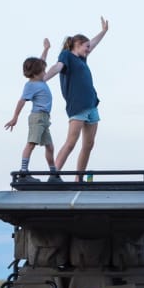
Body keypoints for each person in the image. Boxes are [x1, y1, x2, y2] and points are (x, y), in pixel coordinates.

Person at [42, 16, 108, 179]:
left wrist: (103, 31)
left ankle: (79, 178)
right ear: (77, 45)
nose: (88, 50)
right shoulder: (67, 56)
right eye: (86, 47)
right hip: (77, 106)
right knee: (71, 142)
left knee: (89, 144)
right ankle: (54, 174)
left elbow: (92, 43)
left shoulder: (82, 57)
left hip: (92, 104)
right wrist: (43, 79)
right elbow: (57, 67)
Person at [3, 39, 58, 182]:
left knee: (50, 147)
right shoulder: (31, 85)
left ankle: (53, 174)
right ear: (35, 73)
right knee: (31, 143)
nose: (45, 72)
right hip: (37, 117)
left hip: (45, 118)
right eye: (43, 71)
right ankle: (23, 172)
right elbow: (21, 101)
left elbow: (41, 61)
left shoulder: (40, 80)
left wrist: (46, 49)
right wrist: (15, 117)